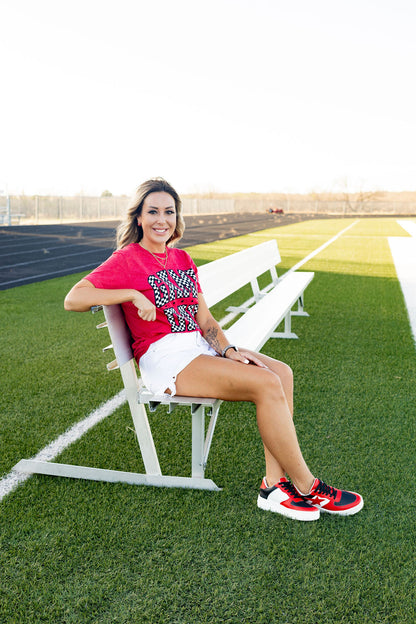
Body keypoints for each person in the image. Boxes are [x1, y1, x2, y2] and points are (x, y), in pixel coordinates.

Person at [64, 178, 363, 521]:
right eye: (153, 212)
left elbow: (205, 320)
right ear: (139, 218)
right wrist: (132, 295)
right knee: (265, 383)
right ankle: (307, 486)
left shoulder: (182, 258)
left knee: (280, 372)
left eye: (169, 212)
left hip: (196, 346)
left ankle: (275, 486)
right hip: (165, 358)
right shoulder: (127, 259)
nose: (162, 219)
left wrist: (228, 349)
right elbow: (74, 298)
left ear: (177, 218)